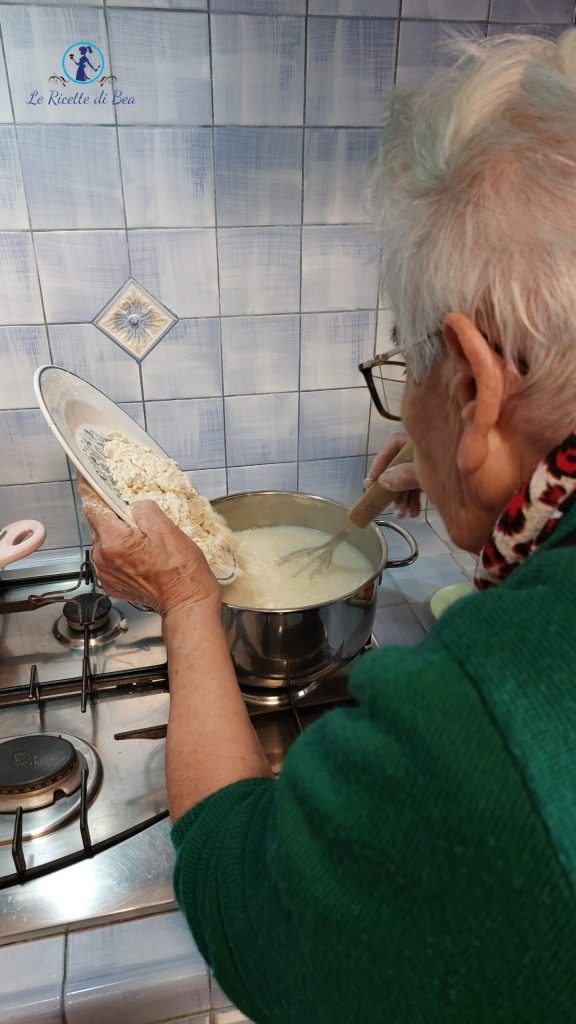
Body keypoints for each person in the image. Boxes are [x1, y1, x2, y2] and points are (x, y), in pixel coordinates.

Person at [80, 30, 576, 1023]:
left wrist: (187, 596)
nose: (405, 404)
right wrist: (469, 482)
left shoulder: (484, 729)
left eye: (408, 371)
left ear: (477, 383)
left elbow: (239, 884)